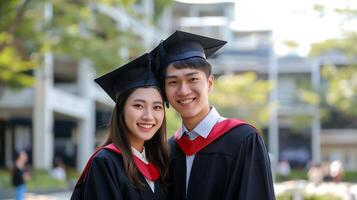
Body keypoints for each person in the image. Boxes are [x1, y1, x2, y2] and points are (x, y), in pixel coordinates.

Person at [150, 30, 275, 200]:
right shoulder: (169, 150)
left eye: (193, 79)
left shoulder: (243, 140)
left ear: (209, 83)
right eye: (173, 82)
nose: (183, 91)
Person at [70, 53, 169, 200]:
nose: (148, 116)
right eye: (138, 105)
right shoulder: (106, 163)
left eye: (157, 107)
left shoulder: (159, 163)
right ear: (121, 110)